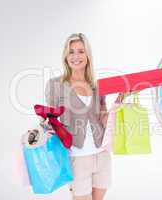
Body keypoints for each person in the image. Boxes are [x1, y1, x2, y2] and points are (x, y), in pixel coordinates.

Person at [45, 33, 124, 200]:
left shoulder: (97, 86)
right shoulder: (56, 85)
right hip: (77, 158)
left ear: (87, 55)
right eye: (71, 52)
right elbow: (48, 120)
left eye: (80, 51)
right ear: (65, 56)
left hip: (101, 155)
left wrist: (120, 98)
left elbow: (103, 119)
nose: (76, 56)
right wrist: (35, 135)